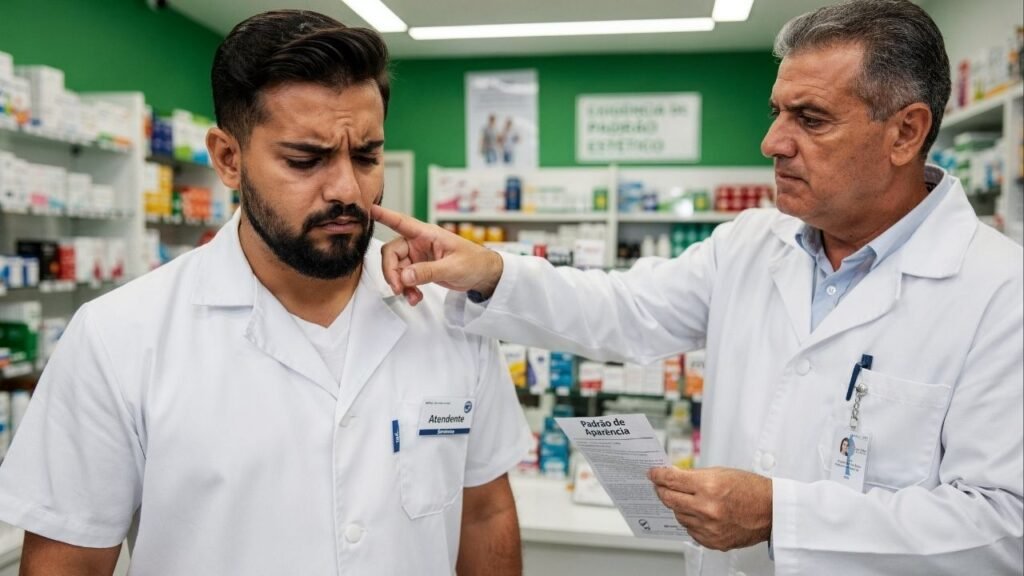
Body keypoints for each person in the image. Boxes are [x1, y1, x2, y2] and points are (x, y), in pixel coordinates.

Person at [371, 1, 1023, 574]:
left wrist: (782, 515)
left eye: (812, 119)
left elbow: (1005, 527)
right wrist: (490, 270)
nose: (773, 141)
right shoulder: (751, 243)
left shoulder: (1000, 291)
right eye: (776, 111)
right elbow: (622, 310)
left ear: (905, 132)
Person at [0, 10, 530, 576]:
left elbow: (483, 510)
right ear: (228, 158)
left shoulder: (449, 316)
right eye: (306, 159)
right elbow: (69, 562)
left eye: (368, 155)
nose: (348, 189)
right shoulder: (118, 338)